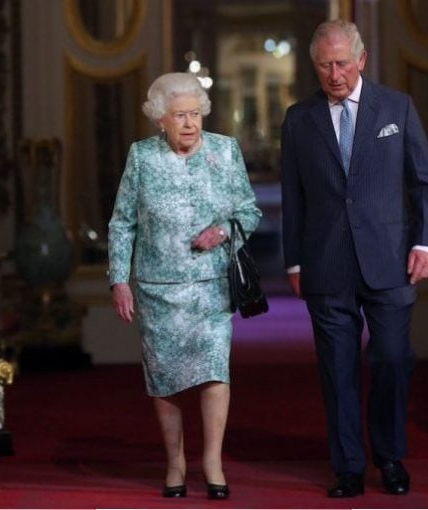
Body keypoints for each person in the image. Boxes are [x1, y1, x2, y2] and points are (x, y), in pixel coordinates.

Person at [280, 20, 428, 497]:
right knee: (338, 368)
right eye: (325, 65)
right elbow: (294, 197)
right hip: (325, 261)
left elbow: (425, 182)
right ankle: (348, 466)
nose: (334, 74)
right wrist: (294, 264)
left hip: (390, 259)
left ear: (362, 60)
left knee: (392, 357)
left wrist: (425, 243)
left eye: (342, 63)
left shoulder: (397, 107)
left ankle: (389, 456)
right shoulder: (298, 119)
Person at [108, 72, 261, 500]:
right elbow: (123, 223)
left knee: (215, 370)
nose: (190, 123)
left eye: (195, 114)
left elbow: (249, 212)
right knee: (167, 379)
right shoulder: (141, 157)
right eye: (180, 116)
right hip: (159, 287)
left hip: (212, 286)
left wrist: (224, 231)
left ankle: (212, 460)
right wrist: (119, 279)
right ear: (161, 120)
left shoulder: (226, 151)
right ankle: (174, 462)